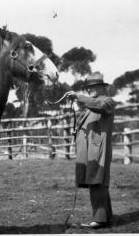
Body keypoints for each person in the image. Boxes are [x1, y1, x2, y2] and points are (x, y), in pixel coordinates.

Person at [65, 72, 116, 229]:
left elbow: (100, 107)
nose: (91, 90)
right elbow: (86, 119)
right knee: (96, 182)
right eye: (89, 88)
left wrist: (79, 97)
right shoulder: (89, 105)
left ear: (102, 87)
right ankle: (106, 217)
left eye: (94, 87)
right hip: (88, 150)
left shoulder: (107, 101)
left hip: (98, 149)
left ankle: (99, 220)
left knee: (97, 182)